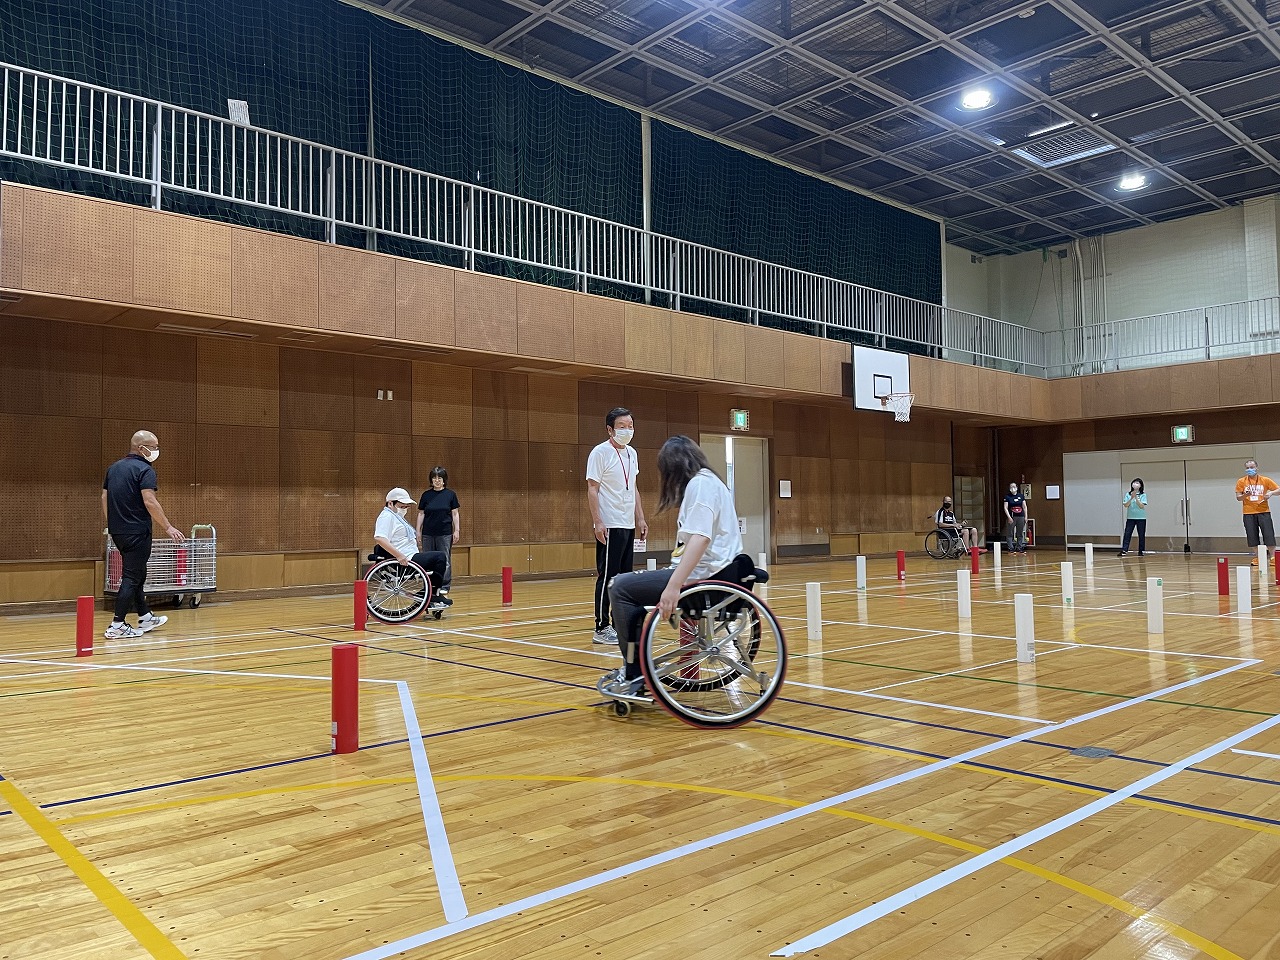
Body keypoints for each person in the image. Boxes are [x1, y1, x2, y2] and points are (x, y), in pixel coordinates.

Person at [608, 436, 744, 684]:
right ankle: (637, 666)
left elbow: (701, 539)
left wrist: (673, 587)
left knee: (619, 586)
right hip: (712, 573)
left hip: (704, 578)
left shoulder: (700, 485)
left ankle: (634, 671)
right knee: (630, 587)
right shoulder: (711, 482)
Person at [101, 430, 185, 639]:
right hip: (137, 531)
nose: (157, 451)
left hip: (119, 531)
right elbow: (150, 501)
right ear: (141, 448)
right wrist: (168, 527)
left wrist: (112, 523)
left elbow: (104, 497)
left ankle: (145, 616)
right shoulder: (144, 469)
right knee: (131, 577)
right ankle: (117, 624)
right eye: (154, 447)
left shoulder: (113, 468)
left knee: (137, 573)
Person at [586, 407, 648, 645]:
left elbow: (633, 487)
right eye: (622, 426)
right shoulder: (600, 453)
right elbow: (593, 489)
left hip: (627, 522)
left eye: (630, 426)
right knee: (608, 575)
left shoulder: (632, 453)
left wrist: (640, 517)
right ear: (610, 429)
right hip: (609, 523)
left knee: (624, 577)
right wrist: (598, 522)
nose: (627, 430)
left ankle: (620, 622)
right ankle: (601, 627)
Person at [374, 488, 452, 611]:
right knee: (440, 557)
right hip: (405, 559)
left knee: (435, 559)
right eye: (402, 506)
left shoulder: (395, 517)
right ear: (390, 503)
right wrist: (399, 556)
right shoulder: (386, 517)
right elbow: (379, 538)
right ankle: (433, 594)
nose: (404, 509)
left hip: (410, 555)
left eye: (406, 507)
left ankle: (429, 593)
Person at [416, 466, 460, 598]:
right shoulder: (426, 495)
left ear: (444, 480)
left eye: (439, 478)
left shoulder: (450, 495)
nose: (437, 480)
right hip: (428, 533)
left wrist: (457, 530)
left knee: (445, 559)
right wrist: (418, 531)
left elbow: (455, 513)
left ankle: (444, 586)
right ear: (431, 480)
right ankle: (428, 585)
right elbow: (421, 514)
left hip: (445, 533)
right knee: (427, 560)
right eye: (434, 478)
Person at [1235, 459, 1279, 565]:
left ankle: (1273, 557)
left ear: (1256, 468)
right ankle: (1258, 557)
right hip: (1248, 513)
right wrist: (1245, 495)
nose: (1250, 469)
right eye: (1248, 468)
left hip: (1264, 511)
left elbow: (1278, 490)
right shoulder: (1241, 481)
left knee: (1268, 534)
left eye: (1252, 467)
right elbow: (1238, 498)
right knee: (1252, 536)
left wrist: (1270, 493)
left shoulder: (1265, 480)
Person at [1119, 478, 1147, 557]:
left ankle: (1141, 551)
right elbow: (1126, 505)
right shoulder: (1128, 494)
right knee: (1127, 533)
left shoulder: (1143, 495)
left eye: (1137, 483)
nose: (1135, 484)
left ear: (1141, 485)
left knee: (1141, 534)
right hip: (1130, 518)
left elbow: (1141, 506)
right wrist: (1131, 497)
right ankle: (1124, 550)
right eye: (1134, 482)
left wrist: (1136, 498)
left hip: (1141, 518)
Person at [1004, 482, 1028, 554]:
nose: (1013, 488)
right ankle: (1010, 547)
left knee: (1019, 532)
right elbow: (1005, 507)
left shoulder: (1021, 496)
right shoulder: (1007, 497)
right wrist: (1009, 517)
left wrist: (1026, 516)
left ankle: (1019, 547)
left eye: (1014, 486)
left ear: (1017, 488)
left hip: (1021, 516)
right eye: (1011, 487)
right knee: (1010, 532)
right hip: (1012, 516)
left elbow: (1024, 506)